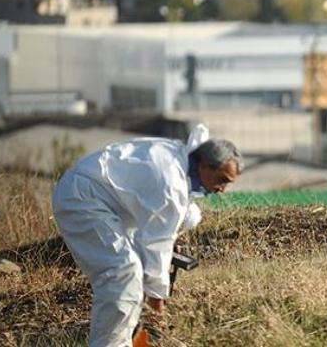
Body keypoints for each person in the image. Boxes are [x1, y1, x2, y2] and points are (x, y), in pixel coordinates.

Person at [52, 124, 242, 346]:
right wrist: (157, 295)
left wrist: (168, 242)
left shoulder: (180, 161)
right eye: (222, 180)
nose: (222, 189)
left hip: (108, 203)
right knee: (123, 272)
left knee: (191, 215)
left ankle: (126, 338)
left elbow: (167, 224)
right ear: (205, 167)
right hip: (83, 199)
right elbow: (156, 243)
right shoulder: (172, 184)